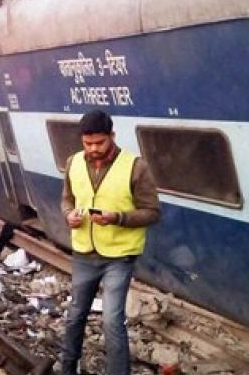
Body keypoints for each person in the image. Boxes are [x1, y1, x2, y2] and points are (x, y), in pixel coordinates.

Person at [60, 110, 161, 375]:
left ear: (112, 136)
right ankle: (67, 369)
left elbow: (152, 211)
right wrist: (68, 214)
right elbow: (67, 199)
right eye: (87, 143)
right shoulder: (73, 162)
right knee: (75, 316)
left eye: (99, 143)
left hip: (119, 257)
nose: (93, 149)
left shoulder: (135, 166)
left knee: (112, 321)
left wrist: (117, 217)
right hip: (84, 253)